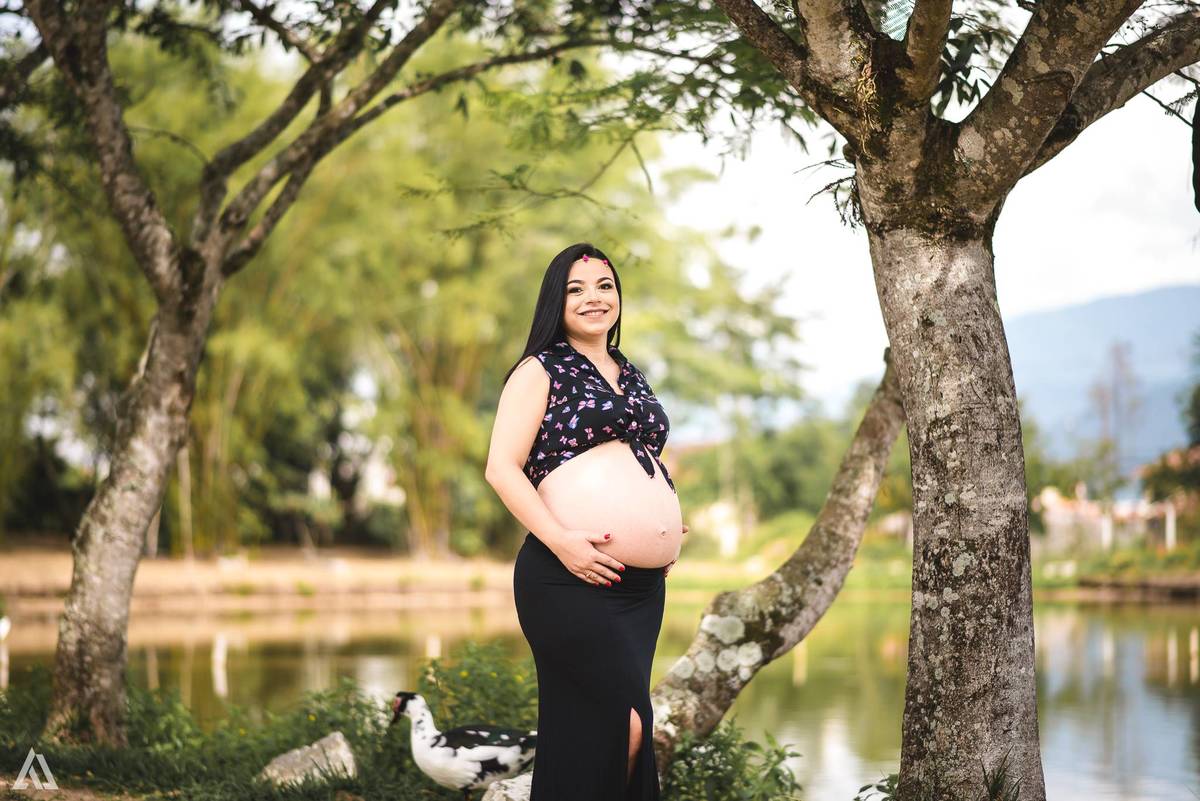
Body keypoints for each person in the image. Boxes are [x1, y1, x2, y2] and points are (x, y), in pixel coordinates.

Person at [485, 242, 688, 800]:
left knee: (627, 731)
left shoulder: (630, 371)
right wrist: (563, 541)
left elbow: (642, 452)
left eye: (605, 286)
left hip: (638, 589)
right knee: (612, 728)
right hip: (568, 575)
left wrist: (665, 524)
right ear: (557, 301)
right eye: (576, 289)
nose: (594, 299)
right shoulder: (539, 369)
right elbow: (501, 468)